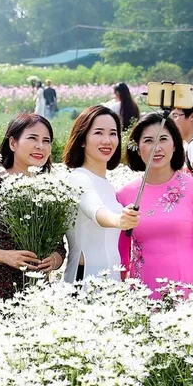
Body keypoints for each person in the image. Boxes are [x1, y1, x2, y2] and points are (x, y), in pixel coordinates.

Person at [0, 113, 65, 299]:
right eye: (32, 138)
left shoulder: (50, 191)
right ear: (13, 143)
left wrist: (54, 260)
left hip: (37, 292)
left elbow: (58, 245)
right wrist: (6, 256)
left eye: (46, 140)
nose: (40, 146)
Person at [117, 113, 193, 300]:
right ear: (137, 148)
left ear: (175, 144)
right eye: (148, 140)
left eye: (163, 139)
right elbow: (122, 254)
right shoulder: (125, 195)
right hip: (141, 290)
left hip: (187, 289)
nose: (157, 148)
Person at [61, 105, 140, 285]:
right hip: (83, 283)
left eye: (113, 134)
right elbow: (95, 209)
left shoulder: (108, 185)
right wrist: (120, 220)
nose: (107, 140)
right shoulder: (78, 178)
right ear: (82, 140)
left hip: (111, 282)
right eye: (98, 133)